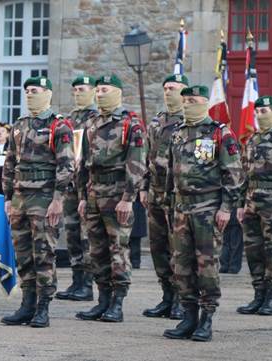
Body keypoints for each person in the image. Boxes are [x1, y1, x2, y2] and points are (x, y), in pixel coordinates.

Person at [163, 85, 244, 342]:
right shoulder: (177, 133)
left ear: (204, 102)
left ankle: (207, 318)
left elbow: (234, 175)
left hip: (208, 210)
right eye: (184, 100)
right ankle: (188, 317)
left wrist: (226, 208)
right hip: (181, 208)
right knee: (181, 265)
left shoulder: (220, 133)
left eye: (193, 100)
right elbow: (170, 172)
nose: (187, 104)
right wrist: (168, 202)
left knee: (206, 266)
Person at [0, 76, 75, 328]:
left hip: (44, 198)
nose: (30, 94)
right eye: (28, 91)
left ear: (48, 93)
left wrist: (58, 199)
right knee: (22, 254)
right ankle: (27, 304)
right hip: (21, 197)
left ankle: (43, 307)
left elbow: (66, 165)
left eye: (36, 91)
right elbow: (10, 163)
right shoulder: (19, 125)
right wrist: (8, 198)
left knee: (43, 253)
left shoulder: (59, 125)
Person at [75, 74, 147, 323]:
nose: (100, 94)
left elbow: (136, 163)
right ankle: (102, 299)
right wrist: (83, 196)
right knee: (96, 251)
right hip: (95, 194)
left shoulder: (130, 125)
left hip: (118, 195)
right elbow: (83, 163)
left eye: (105, 89)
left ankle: (117, 302)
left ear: (117, 92)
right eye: (98, 90)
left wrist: (129, 198)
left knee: (118, 249)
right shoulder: (91, 123)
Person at [142, 74, 187, 319]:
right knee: (158, 247)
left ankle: (182, 298)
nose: (168, 92)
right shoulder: (156, 122)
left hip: (176, 194)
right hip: (155, 192)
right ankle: (167, 296)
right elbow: (148, 158)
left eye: (174, 88)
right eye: (166, 88)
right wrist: (143, 187)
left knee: (177, 248)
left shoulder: (189, 122)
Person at [55, 75, 97, 302]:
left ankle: (88, 284)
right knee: (71, 233)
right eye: (75, 90)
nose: (78, 93)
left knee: (86, 235)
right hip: (71, 184)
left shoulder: (97, 118)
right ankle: (76, 279)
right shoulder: (70, 119)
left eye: (82, 89)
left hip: (88, 185)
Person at [237, 95, 272, 316]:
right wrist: (241, 204)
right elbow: (244, 174)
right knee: (253, 251)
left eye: (265, 112)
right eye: (258, 112)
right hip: (252, 202)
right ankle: (258, 295)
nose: (260, 116)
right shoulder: (253, 139)